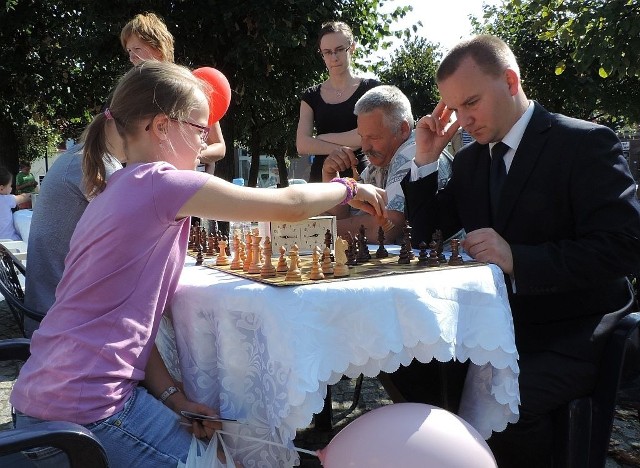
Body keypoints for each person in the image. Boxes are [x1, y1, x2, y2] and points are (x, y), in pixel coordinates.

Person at [10, 60, 386, 467]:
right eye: (198, 128)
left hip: (46, 400)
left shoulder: (114, 189)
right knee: (224, 461)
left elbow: (129, 321)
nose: (206, 140)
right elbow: (289, 205)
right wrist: (348, 187)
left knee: (219, 451)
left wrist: (173, 396)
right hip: (83, 414)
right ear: (160, 126)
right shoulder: (161, 183)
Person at [393, 34, 640, 467]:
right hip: (494, 325)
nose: (464, 120)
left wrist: (518, 258)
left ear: (510, 81)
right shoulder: (471, 161)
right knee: (413, 373)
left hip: (575, 328)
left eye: (472, 102)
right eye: (454, 109)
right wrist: (427, 160)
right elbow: (430, 231)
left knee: (504, 409)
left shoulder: (584, 143)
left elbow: (625, 247)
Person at [321, 85, 453, 244]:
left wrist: (314, 232)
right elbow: (347, 214)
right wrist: (331, 177)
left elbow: (387, 227)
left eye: (373, 137)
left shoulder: (412, 151)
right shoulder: (379, 162)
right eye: (362, 137)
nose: (364, 147)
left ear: (403, 129)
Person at [23, 144, 122, 334]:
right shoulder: (94, 163)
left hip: (46, 302)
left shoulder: (77, 156)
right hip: (59, 317)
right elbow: (136, 233)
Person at [120, 11, 227, 172]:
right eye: (129, 51)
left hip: (178, 179)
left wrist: (193, 152)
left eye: (137, 49)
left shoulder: (189, 89)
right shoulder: (131, 92)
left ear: (159, 48)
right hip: (143, 178)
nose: (132, 57)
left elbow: (220, 147)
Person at [296, 21, 380, 182]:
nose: (334, 57)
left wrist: (320, 139)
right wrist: (345, 148)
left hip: (363, 176)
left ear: (352, 47)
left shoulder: (372, 89)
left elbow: (368, 136)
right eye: (327, 52)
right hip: (321, 179)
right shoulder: (310, 96)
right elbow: (302, 144)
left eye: (340, 50)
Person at [0, 167, 31, 240]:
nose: (11, 188)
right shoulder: (6, 199)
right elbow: (23, 198)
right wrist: (30, 194)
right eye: (10, 186)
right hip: (8, 241)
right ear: (1, 188)